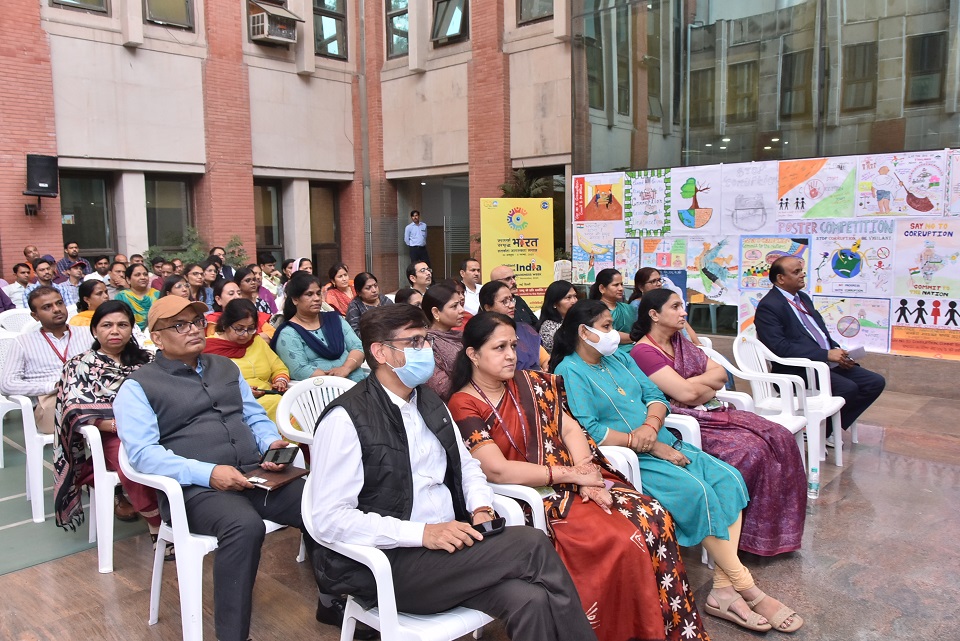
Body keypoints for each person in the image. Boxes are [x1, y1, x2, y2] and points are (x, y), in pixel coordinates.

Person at [306, 303, 595, 641]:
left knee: (530, 599)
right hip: (390, 563)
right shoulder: (347, 419)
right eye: (414, 342)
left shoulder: (429, 401)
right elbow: (329, 519)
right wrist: (423, 533)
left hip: (449, 549)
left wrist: (480, 506)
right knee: (531, 544)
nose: (426, 350)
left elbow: (466, 465)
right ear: (381, 353)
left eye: (426, 340)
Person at [447, 312, 708, 641]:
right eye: (500, 348)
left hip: (574, 479)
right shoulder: (463, 403)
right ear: (473, 354)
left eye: (513, 345)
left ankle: (660, 628)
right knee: (616, 538)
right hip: (527, 497)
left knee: (653, 514)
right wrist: (572, 475)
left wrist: (587, 471)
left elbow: (569, 428)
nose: (511, 354)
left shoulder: (531, 383)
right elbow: (496, 469)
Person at [552, 300, 804, 634]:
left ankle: (722, 590)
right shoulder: (569, 371)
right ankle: (749, 589)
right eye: (607, 327)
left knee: (729, 479)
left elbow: (655, 396)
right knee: (698, 493)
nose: (615, 334)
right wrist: (646, 443)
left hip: (663, 440)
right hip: (630, 458)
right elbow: (591, 431)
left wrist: (652, 427)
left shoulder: (619, 358)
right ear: (584, 332)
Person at [114, 295, 304, 641]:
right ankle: (232, 636)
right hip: (194, 490)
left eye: (198, 322)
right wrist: (208, 473)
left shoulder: (225, 368)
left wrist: (268, 443)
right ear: (156, 338)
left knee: (321, 501)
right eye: (180, 325)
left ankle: (337, 598)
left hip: (253, 472)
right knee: (244, 527)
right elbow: (142, 454)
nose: (194, 330)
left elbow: (253, 416)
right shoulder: (138, 386)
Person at [631, 289, 807, 556]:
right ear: (654, 315)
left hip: (709, 410)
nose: (683, 312)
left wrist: (693, 387)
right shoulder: (644, 352)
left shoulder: (680, 342)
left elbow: (720, 374)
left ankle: (772, 533)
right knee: (750, 450)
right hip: (683, 423)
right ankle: (737, 538)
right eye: (675, 307)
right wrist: (698, 388)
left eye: (682, 306)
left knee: (779, 435)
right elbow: (685, 395)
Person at [53, 301, 161, 536]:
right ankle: (157, 526)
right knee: (132, 455)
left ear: (131, 329)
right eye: (107, 325)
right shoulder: (80, 365)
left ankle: (189, 515)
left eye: (122, 325)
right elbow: (74, 410)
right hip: (112, 435)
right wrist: (115, 425)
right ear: (94, 330)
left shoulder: (147, 361)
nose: (115, 331)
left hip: (155, 427)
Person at [754, 256, 885, 445]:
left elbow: (817, 331)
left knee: (874, 382)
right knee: (848, 388)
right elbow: (779, 347)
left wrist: (836, 350)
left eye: (801, 271)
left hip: (824, 362)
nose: (802, 275)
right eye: (796, 272)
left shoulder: (803, 298)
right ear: (781, 278)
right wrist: (825, 355)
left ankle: (827, 429)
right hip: (797, 369)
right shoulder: (769, 306)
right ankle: (819, 431)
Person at [0, 287, 94, 434]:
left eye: (59, 303)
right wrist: (51, 386)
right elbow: (7, 384)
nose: (56, 309)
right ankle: (104, 423)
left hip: (89, 393)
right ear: (35, 316)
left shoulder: (87, 334)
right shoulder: (23, 342)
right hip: (51, 401)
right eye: (47, 307)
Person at [204, 299, 290, 422]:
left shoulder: (256, 341)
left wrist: (280, 381)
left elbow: (278, 367)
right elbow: (210, 386)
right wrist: (242, 391)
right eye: (239, 329)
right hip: (237, 404)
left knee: (291, 404)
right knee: (282, 406)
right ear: (225, 325)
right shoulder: (209, 348)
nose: (245, 334)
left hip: (269, 394)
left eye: (250, 328)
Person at [271, 273, 367, 383]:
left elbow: (358, 347)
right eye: (309, 294)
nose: (316, 298)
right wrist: (337, 379)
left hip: (358, 381)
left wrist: (345, 368)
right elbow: (299, 369)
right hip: (322, 388)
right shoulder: (288, 333)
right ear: (295, 299)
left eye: (318, 293)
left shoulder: (335, 319)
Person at [479, 280, 547, 371]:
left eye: (511, 300)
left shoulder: (524, 329)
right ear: (488, 307)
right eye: (504, 301)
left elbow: (544, 358)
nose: (511, 305)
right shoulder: (482, 335)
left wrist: (546, 366)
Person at [629, 267, 703, 345]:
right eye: (653, 281)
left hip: (685, 343)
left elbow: (685, 325)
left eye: (659, 280)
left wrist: (698, 344)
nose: (659, 284)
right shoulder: (636, 305)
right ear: (641, 287)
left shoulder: (666, 300)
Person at [421, 284, 464, 399]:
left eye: (460, 304)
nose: (461, 310)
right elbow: (443, 388)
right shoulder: (427, 344)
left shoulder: (460, 336)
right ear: (436, 312)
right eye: (454, 306)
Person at [206, 279, 275, 340]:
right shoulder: (213, 320)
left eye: (239, 293)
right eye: (231, 294)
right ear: (218, 299)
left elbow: (272, 334)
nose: (237, 297)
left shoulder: (253, 315)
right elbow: (219, 340)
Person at [588, 268, 637, 354]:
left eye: (621, 284)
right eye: (616, 285)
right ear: (602, 288)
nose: (621, 288)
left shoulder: (628, 308)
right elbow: (606, 335)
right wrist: (634, 338)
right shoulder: (594, 311)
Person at [490, 265, 539, 330]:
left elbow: (535, 323)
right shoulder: (491, 302)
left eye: (514, 277)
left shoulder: (518, 300)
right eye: (508, 279)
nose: (514, 282)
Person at [115, 263, 160, 331]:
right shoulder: (122, 297)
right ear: (128, 279)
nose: (143, 277)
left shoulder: (157, 294)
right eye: (137, 275)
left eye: (145, 274)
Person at [539, 280, 578, 353]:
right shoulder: (548, 327)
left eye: (575, 296)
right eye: (568, 297)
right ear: (554, 303)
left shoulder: (576, 320)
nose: (574, 301)